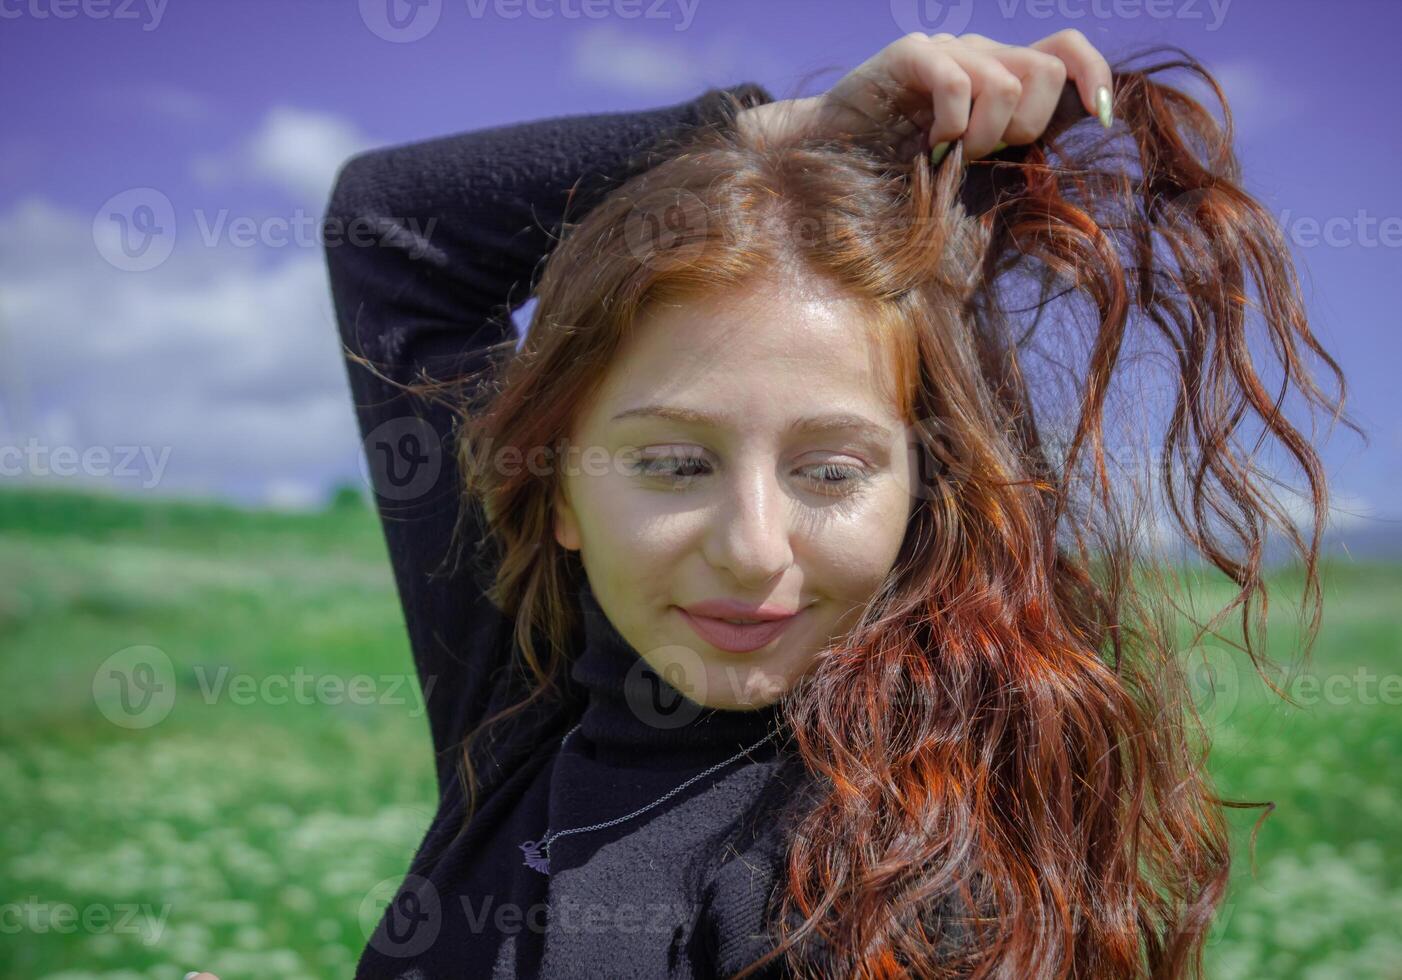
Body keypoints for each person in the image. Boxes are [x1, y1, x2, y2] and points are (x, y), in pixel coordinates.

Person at [189, 27, 1351, 980]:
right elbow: (392, 228)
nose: (752, 553)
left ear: (920, 493)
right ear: (556, 493)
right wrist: (782, 137)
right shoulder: (526, 692)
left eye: (830, 471)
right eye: (671, 465)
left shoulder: (890, 880)